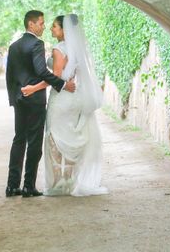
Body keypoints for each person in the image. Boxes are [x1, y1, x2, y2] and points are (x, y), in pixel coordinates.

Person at [21, 14, 108, 196]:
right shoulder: (77, 49)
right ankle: (69, 181)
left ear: (63, 30)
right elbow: (68, 78)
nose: (51, 29)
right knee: (69, 137)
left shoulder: (58, 49)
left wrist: (34, 88)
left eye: (54, 26)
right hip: (74, 97)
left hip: (60, 99)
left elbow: (57, 79)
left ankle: (58, 183)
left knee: (54, 137)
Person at [5, 10, 76, 198]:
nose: (43, 27)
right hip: (35, 101)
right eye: (41, 23)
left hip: (20, 99)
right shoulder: (37, 43)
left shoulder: (13, 46)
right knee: (34, 143)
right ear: (31, 25)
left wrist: (13, 98)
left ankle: (12, 186)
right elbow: (41, 71)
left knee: (18, 140)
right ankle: (28, 186)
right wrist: (61, 84)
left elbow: (9, 76)